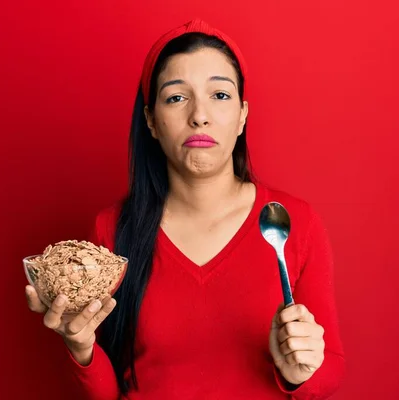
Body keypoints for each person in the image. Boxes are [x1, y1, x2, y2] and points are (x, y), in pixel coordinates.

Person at [25, 19, 345, 400]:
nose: (200, 116)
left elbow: (330, 372)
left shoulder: (293, 222)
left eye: (220, 96)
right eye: (177, 97)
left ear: (243, 115)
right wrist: (80, 348)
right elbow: (109, 392)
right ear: (151, 121)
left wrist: (298, 373)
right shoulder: (112, 230)